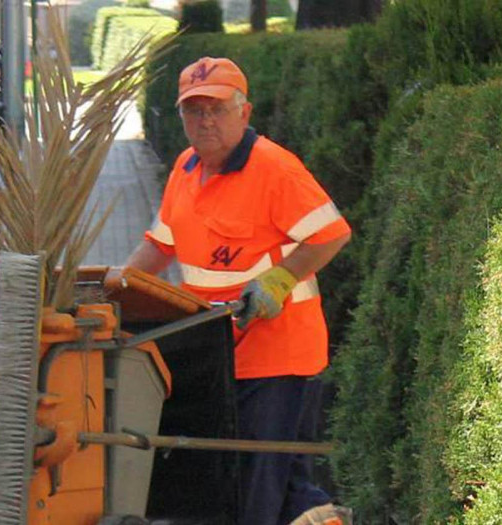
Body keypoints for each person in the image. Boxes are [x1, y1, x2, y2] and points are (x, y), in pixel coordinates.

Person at [121, 56, 353, 524]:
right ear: (181, 116)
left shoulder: (273, 169)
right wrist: (116, 290)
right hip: (222, 354)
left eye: (217, 109)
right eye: (194, 110)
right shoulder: (186, 168)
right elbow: (159, 245)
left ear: (244, 113)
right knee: (274, 484)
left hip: (277, 357)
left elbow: (332, 234)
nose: (205, 120)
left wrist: (278, 280)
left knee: (258, 487)